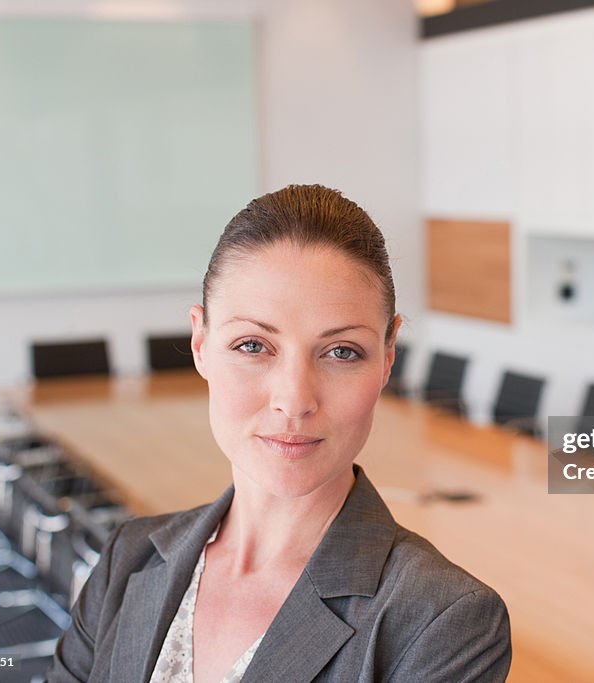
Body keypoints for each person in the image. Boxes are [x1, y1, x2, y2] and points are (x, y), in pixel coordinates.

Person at [47, 185, 511, 682]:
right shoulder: (129, 558)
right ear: (200, 344)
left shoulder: (443, 621)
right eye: (253, 345)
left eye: (341, 352)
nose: (294, 400)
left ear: (388, 359)